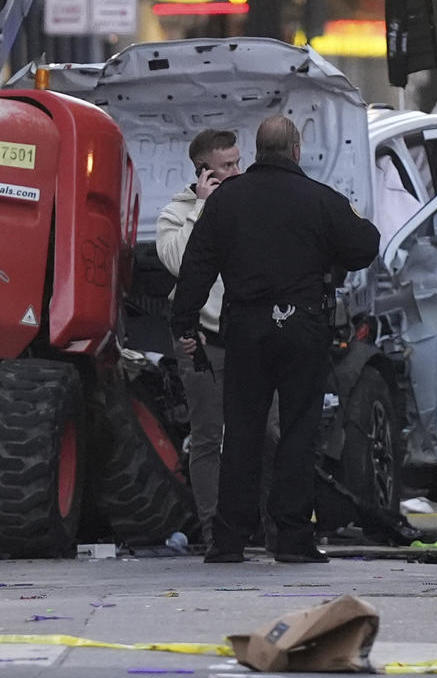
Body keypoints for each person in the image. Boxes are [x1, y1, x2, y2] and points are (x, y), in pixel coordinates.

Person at [172, 115, 380, 564]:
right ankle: (292, 537)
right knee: (298, 430)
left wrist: (184, 325)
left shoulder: (226, 203)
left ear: (257, 150)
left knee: (241, 431)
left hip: (245, 328)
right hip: (303, 327)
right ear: (297, 151)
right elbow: (365, 244)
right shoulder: (320, 200)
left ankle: (229, 539)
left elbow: (196, 267)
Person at [157, 129, 276, 552]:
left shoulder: (249, 204)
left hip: (250, 339)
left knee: (269, 430)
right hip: (202, 343)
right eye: (227, 166)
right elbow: (178, 263)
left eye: (238, 162)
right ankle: (213, 530)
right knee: (209, 436)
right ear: (203, 171)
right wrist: (204, 208)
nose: (237, 171)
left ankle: (262, 525)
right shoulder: (177, 212)